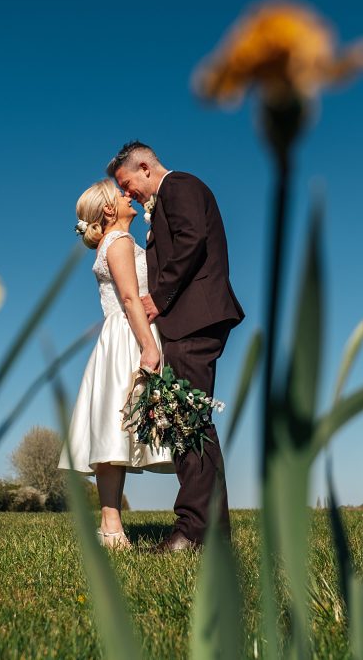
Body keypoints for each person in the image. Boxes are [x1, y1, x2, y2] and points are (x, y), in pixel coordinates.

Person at [107, 141, 244, 552]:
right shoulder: (168, 195)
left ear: (146, 167)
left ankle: (192, 531)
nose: (127, 194)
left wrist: (158, 297)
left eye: (127, 184)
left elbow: (191, 240)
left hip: (195, 318)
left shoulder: (179, 185)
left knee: (188, 422)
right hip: (192, 320)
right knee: (191, 421)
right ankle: (209, 532)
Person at [58, 178, 174, 550]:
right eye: (122, 195)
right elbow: (128, 297)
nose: (129, 198)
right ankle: (111, 527)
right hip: (129, 334)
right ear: (109, 210)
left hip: (121, 335)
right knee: (115, 428)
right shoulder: (120, 242)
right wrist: (148, 347)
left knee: (113, 430)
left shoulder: (118, 241)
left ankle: (111, 528)